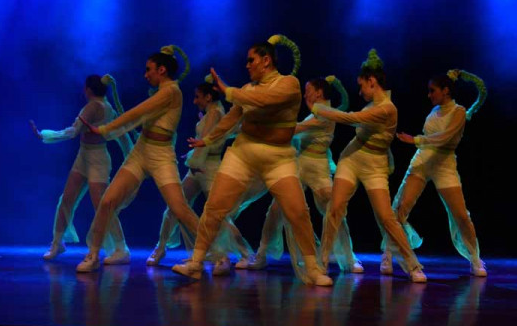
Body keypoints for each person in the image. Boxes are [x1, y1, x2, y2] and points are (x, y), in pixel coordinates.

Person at [172, 35, 333, 286]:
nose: (247, 65)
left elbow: (264, 100)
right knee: (214, 207)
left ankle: (312, 268)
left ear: (266, 61)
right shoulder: (247, 89)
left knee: (298, 212)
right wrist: (209, 139)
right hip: (243, 154)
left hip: (278, 159)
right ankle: (196, 262)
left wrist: (228, 91)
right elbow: (232, 118)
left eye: (251, 60)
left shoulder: (288, 84)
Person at [75, 45, 202, 273]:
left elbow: (137, 112)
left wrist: (104, 129)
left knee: (179, 207)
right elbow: (139, 116)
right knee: (107, 201)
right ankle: (93, 255)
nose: (145, 75)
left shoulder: (171, 91)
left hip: (161, 156)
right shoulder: (159, 91)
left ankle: (212, 253)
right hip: (141, 151)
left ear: (162, 70)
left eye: (149, 69)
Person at [313, 49, 427, 283]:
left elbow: (352, 119)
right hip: (352, 158)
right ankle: (321, 262)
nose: (360, 91)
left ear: (372, 81)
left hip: (374, 167)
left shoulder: (387, 108)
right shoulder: (371, 106)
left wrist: (320, 109)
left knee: (386, 217)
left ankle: (413, 265)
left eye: (361, 85)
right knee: (334, 208)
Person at [250, 75, 363, 274]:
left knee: (333, 210)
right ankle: (262, 254)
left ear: (319, 92)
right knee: (276, 209)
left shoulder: (326, 113)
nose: (304, 95)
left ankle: (349, 257)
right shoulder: (318, 112)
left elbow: (296, 129)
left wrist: (272, 123)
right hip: (299, 165)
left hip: (318, 168)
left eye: (308, 90)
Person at [146, 81, 256, 273]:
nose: (195, 101)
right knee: (175, 206)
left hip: (208, 169)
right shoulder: (212, 112)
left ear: (208, 97)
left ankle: (244, 253)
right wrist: (192, 159)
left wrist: (193, 162)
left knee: (218, 215)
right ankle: (161, 247)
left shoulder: (215, 113)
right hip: (198, 168)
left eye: (198, 97)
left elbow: (208, 142)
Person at [390, 69, 488, 277]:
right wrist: (419, 143)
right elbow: (432, 139)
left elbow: (445, 137)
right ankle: (389, 255)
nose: (429, 95)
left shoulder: (459, 112)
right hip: (423, 160)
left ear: (446, 90)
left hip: (444, 165)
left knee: (461, 215)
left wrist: (416, 140)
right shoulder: (434, 111)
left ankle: (474, 258)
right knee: (400, 208)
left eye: (432, 90)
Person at [30, 74, 133, 261]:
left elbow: (73, 131)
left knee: (101, 205)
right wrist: (131, 155)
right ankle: (57, 243)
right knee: (67, 199)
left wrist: (44, 135)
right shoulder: (107, 107)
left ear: (88, 89)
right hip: (84, 156)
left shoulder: (94, 107)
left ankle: (121, 247)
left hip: (97, 159)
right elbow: (122, 135)